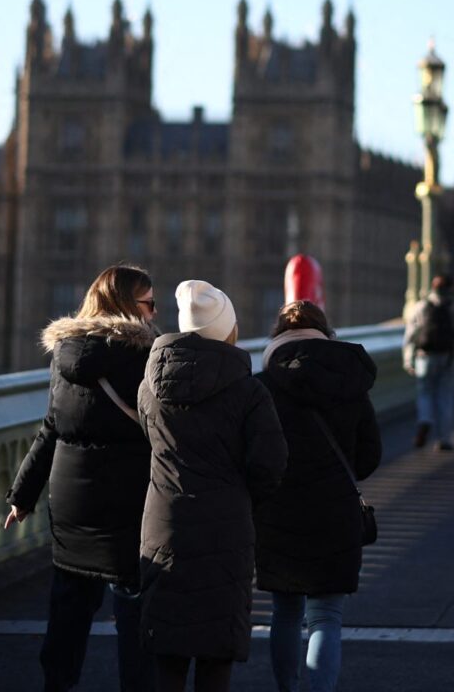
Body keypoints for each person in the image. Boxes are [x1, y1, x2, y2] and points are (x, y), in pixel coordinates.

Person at [5, 265, 160, 692]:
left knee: (70, 604)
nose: (154, 313)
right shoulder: (147, 357)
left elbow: (50, 428)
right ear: (129, 305)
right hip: (129, 500)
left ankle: (56, 684)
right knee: (134, 607)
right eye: (149, 303)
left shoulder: (65, 353)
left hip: (70, 500)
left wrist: (23, 495)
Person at [139, 280, 288, 692]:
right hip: (226, 527)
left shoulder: (149, 387)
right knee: (215, 653)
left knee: (167, 651)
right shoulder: (249, 392)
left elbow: (149, 441)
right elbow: (270, 464)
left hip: (164, 524)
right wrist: (242, 499)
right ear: (227, 329)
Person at [254, 300, 381, 692]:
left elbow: (253, 456)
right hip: (336, 511)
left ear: (278, 336)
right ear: (326, 332)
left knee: (285, 611)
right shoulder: (351, 381)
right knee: (326, 615)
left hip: (277, 512)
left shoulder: (263, 385)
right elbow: (368, 456)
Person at [403, 274, 454, 450]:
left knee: (425, 392)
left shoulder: (421, 306)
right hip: (449, 357)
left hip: (424, 356)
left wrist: (408, 359)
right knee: (446, 396)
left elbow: (410, 335)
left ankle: (425, 419)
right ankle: (444, 439)